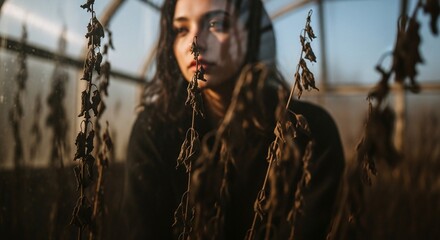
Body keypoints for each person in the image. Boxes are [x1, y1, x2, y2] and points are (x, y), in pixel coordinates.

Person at [124, 0, 345, 239]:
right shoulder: (155, 130)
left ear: (253, 34)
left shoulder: (309, 132)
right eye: (181, 29)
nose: (194, 43)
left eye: (217, 24)